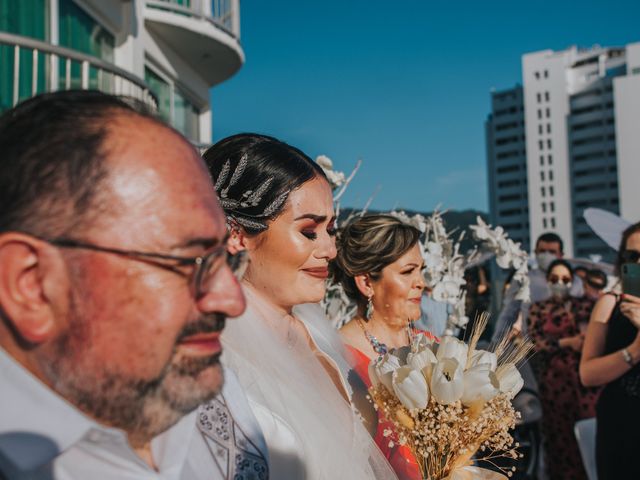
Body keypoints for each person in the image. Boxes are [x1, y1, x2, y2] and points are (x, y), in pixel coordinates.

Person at [0, 91, 270, 479]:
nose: (232, 300)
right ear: (33, 284)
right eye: (187, 260)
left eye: (222, 258)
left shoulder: (209, 392)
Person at [203, 134, 397, 480]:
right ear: (238, 235)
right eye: (309, 231)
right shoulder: (218, 363)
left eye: (330, 229)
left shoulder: (317, 333)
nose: (330, 250)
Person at [331, 214, 433, 480]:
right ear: (366, 283)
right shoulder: (339, 360)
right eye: (408, 271)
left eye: (421, 269)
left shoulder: (434, 345)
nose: (421, 282)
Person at [528, 259, 600, 480]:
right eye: (555, 279)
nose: (560, 283)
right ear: (547, 281)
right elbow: (534, 341)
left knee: (590, 434)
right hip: (555, 383)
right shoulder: (538, 308)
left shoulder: (584, 305)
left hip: (585, 381)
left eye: (565, 279)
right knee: (560, 438)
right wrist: (566, 342)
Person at [580, 222, 640, 480]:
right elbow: (587, 374)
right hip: (621, 425)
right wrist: (635, 350)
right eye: (633, 255)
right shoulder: (609, 303)